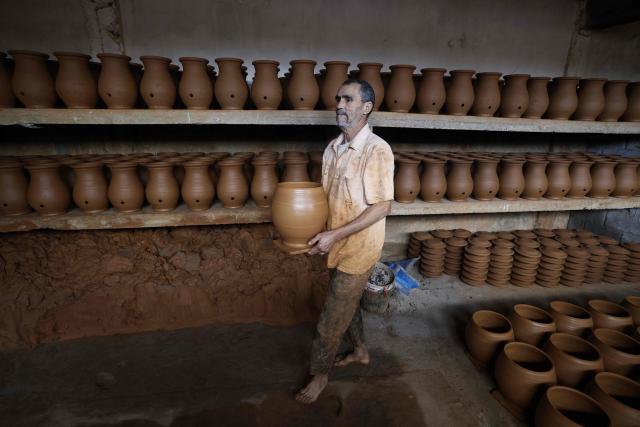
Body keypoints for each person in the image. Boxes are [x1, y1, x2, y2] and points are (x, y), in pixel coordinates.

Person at [295, 79, 394, 404]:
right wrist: (316, 234)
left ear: (366, 108)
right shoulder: (333, 148)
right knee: (346, 306)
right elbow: (328, 199)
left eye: (348, 99)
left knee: (329, 320)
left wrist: (334, 235)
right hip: (335, 244)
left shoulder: (376, 150)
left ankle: (319, 375)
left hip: (359, 249)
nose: (339, 104)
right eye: (338, 98)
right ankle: (362, 351)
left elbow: (383, 207)